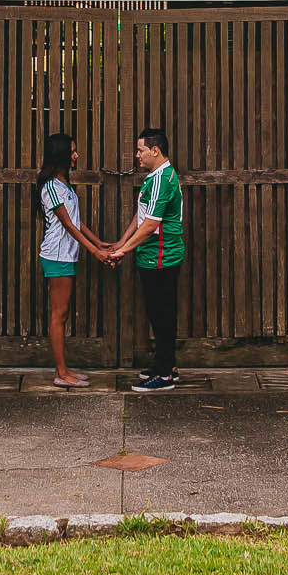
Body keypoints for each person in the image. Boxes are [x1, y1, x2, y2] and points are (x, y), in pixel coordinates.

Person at [108, 127, 185, 391]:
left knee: (163, 315)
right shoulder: (154, 177)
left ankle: (164, 375)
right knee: (156, 313)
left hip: (162, 256)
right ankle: (168, 365)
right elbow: (140, 217)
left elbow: (151, 224)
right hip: (150, 256)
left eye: (141, 150)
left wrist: (123, 251)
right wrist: (121, 244)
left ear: (155, 150)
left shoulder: (164, 179)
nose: (137, 155)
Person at [36, 132, 111, 389]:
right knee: (59, 315)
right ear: (61, 155)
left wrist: (99, 242)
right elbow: (68, 226)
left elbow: (77, 221)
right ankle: (61, 372)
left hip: (66, 255)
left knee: (62, 313)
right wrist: (96, 252)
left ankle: (65, 369)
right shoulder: (50, 187)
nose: (76, 155)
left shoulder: (63, 184)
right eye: (73, 151)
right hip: (56, 256)